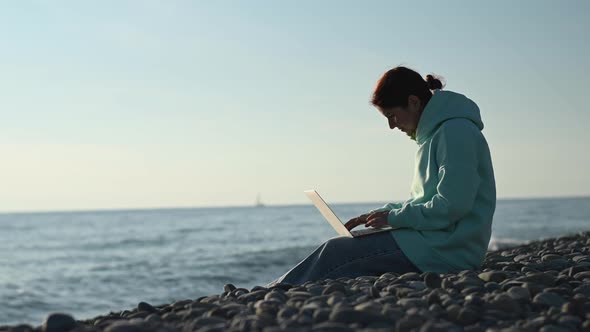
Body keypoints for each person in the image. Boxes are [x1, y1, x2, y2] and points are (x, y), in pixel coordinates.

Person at [266, 66, 496, 287]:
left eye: (392, 116)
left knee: (336, 252)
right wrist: (380, 215)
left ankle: (274, 291)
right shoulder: (435, 136)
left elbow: (451, 206)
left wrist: (392, 219)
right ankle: (279, 289)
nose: (391, 126)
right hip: (433, 242)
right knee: (342, 252)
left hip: (448, 251)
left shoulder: (455, 132)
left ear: (413, 102)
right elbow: (426, 202)